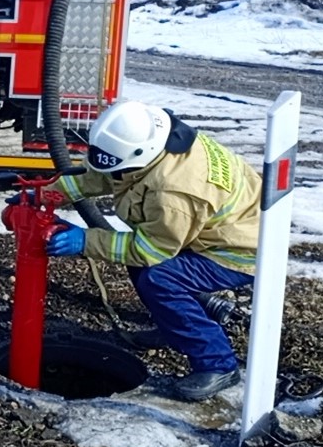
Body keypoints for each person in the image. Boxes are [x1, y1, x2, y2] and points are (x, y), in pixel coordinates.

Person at [38, 100, 262, 401]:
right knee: (143, 267)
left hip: (239, 251)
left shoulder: (174, 191)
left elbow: (149, 250)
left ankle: (217, 364)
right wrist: (47, 193)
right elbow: (109, 173)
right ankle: (175, 324)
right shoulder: (153, 142)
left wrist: (85, 241)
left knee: (158, 278)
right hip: (216, 228)